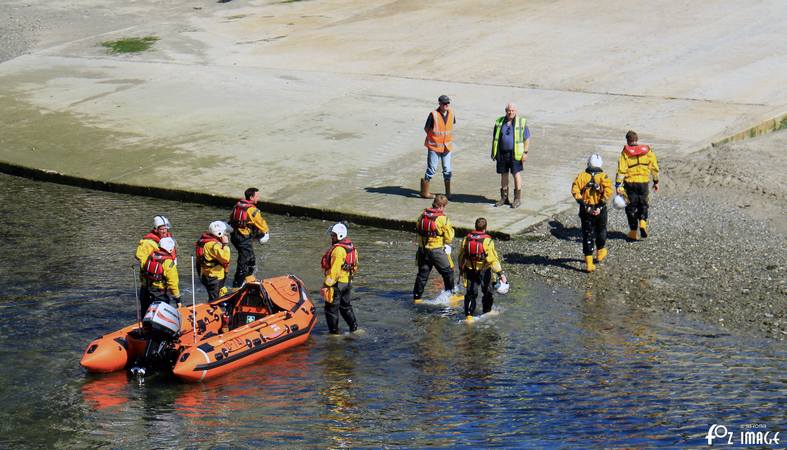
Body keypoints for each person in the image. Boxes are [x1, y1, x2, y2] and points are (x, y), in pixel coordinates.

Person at [458, 218, 507, 321]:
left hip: (470, 269)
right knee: (488, 292)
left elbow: (461, 255)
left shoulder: (466, 239)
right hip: (484, 270)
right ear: (485, 228)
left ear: (475, 226)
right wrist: (500, 274)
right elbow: (493, 259)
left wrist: (461, 269)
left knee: (471, 293)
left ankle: (469, 316)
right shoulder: (487, 241)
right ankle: (487, 312)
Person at [571, 154, 613, 272]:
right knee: (601, 230)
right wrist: (599, 206)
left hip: (586, 210)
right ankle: (600, 252)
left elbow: (575, 191)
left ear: (588, 163)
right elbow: (608, 191)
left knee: (587, 234)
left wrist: (585, 205)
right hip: (600, 208)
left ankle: (589, 264)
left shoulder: (581, 176)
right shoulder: (604, 177)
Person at [616, 130, 660, 240]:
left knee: (631, 207)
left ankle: (633, 232)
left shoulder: (625, 153)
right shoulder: (647, 151)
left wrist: (618, 185)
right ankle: (643, 222)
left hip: (630, 183)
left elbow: (621, 170)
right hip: (644, 182)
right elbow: (654, 167)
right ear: (637, 140)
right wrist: (656, 181)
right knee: (643, 204)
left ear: (627, 140)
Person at [413, 194, 455, 302]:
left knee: (422, 274)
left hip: (422, 250)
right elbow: (449, 237)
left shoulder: (422, 215)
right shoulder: (442, 219)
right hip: (436, 250)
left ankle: (417, 298)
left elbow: (417, 227)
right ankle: (450, 295)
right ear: (441, 206)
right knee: (448, 272)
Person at [320, 223, 359, 334]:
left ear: (340, 236)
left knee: (331, 309)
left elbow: (334, 271)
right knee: (345, 307)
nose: (331, 237)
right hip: (347, 282)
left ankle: (334, 334)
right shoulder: (351, 247)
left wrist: (326, 285)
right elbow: (355, 265)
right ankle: (354, 328)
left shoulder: (338, 250)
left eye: (333, 235)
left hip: (336, 284)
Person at [491, 102, 531, 208]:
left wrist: (525, 153)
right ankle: (504, 198)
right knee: (503, 175)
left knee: (516, 174)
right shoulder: (499, 121)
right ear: (506, 111)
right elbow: (495, 138)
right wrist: (494, 152)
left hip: (515, 154)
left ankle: (517, 199)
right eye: (509, 110)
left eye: (513, 110)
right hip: (502, 153)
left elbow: (527, 138)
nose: (510, 112)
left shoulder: (521, 122)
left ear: (516, 111)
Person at [228, 187, 270, 287]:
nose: (258, 198)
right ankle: (237, 285)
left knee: (251, 259)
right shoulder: (253, 210)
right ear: (251, 197)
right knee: (244, 262)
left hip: (235, 236)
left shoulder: (237, 206)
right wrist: (266, 233)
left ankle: (249, 278)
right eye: (257, 196)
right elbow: (261, 223)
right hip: (243, 238)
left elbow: (231, 219)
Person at [134, 215, 172, 315]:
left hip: (163, 284)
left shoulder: (167, 239)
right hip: (150, 284)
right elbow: (140, 257)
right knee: (147, 310)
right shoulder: (147, 243)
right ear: (156, 229)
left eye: (166, 228)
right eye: (162, 229)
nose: (165, 231)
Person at [421, 95, 455, 199]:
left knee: (447, 169)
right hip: (434, 147)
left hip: (447, 147)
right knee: (432, 169)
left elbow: (450, 126)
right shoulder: (433, 115)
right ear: (439, 104)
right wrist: (434, 140)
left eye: (447, 103)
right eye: (444, 103)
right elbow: (426, 129)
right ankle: (425, 193)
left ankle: (448, 193)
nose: (446, 105)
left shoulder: (451, 113)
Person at [196, 221, 231, 301]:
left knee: (217, 294)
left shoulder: (204, 241)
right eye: (224, 232)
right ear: (219, 233)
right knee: (214, 300)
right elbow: (226, 259)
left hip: (207, 275)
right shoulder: (213, 245)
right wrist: (225, 245)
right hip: (214, 277)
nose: (225, 234)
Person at [141, 237, 180, 310]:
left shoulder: (150, 257)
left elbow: (142, 273)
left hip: (146, 291)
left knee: (145, 313)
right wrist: (178, 300)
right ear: (170, 249)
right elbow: (173, 283)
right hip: (160, 294)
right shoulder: (168, 263)